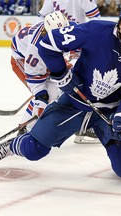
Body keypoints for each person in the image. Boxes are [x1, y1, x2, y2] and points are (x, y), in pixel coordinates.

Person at [0, 3, 121, 179]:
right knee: (33, 149)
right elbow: (48, 44)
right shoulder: (95, 31)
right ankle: (14, 145)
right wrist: (60, 74)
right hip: (75, 102)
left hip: (109, 111)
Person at [37, 0, 101, 144]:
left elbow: (95, 20)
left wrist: (80, 43)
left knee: (85, 89)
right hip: (56, 45)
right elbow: (42, 18)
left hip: (78, 42)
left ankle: (82, 127)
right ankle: (42, 124)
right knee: (63, 91)